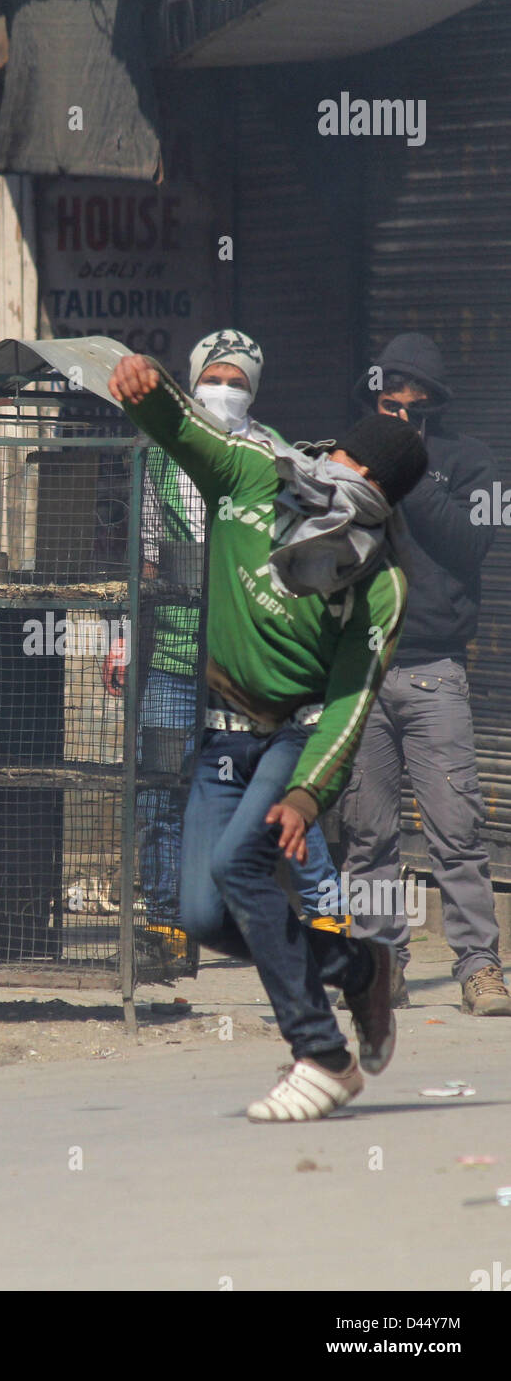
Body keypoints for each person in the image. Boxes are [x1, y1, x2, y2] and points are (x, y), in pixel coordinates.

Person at [109, 350, 428, 1121]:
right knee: (202, 913)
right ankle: (358, 969)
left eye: (354, 469)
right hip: (221, 733)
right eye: (336, 455)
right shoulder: (255, 477)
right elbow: (189, 436)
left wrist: (305, 792)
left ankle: (319, 1055)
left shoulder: (375, 582)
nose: (332, 471)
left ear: (377, 495)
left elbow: (351, 701)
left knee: (239, 868)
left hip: (298, 736)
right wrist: (147, 394)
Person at [103, 331, 352, 958]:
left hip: (247, 666)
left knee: (281, 798)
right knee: (160, 785)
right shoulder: (159, 451)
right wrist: (121, 637)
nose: (223, 391)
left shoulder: (278, 455)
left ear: (254, 391)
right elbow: (145, 557)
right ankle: (163, 925)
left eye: (237, 382)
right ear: (191, 382)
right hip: (173, 655)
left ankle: (328, 922)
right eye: (213, 379)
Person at [337, 333, 511, 1015]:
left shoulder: (471, 462)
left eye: (415, 412)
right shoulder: (347, 459)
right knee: (366, 835)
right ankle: (381, 963)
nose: (401, 422)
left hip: (435, 673)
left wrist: (402, 473)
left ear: (434, 408)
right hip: (360, 672)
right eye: (387, 408)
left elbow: (471, 543)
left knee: (456, 833)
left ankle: (478, 967)